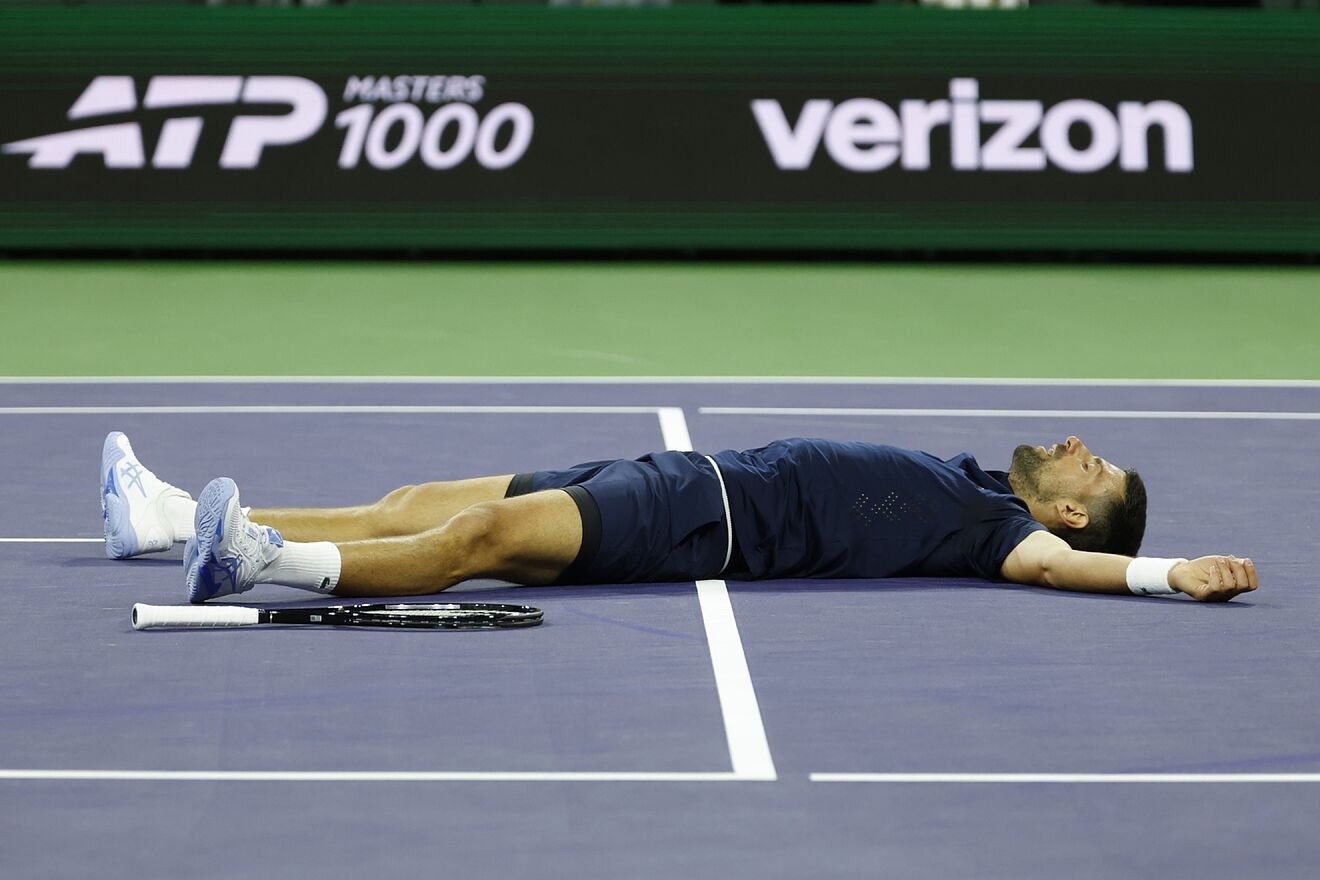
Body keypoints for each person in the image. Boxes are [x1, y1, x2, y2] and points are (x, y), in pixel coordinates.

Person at [98, 430, 1257, 605]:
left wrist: (1163, 575)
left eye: (1089, 465)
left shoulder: (1007, 533)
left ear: (1066, 508)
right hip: (682, 469)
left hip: (698, 519)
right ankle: (162, 520)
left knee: (477, 545)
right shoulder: (972, 478)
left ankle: (258, 560)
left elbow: (1060, 571)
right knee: (415, 502)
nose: (1073, 445)